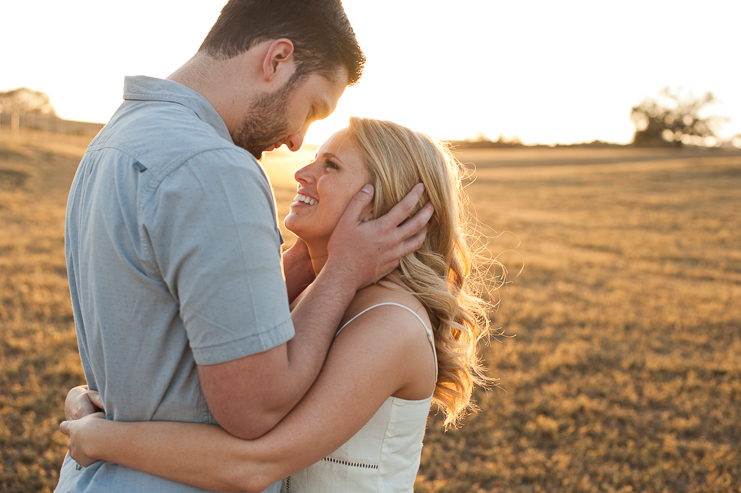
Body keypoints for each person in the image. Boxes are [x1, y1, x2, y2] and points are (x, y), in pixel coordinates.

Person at [56, 1, 432, 492]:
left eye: (331, 163)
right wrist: (338, 272)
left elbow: (163, 330)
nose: (297, 143)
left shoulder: (117, 139)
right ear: (276, 60)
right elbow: (255, 407)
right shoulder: (215, 167)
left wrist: (314, 266)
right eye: (313, 108)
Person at [61, 117, 494, 492]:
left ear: (385, 206)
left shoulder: (392, 323)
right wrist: (96, 399)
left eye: (331, 166)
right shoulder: (320, 292)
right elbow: (197, 383)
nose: (303, 172)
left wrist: (98, 439)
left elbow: (256, 464)